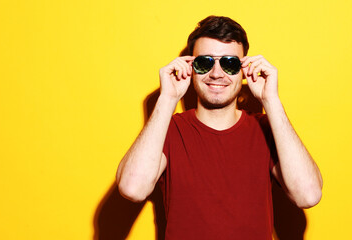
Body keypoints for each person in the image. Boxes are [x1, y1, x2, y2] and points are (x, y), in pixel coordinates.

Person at [116, 16, 323, 239]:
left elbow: (308, 196)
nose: (216, 73)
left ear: (245, 69)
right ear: (190, 66)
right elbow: (132, 189)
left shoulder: (266, 129)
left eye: (230, 63)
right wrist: (167, 98)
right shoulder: (169, 128)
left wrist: (270, 100)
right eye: (204, 62)